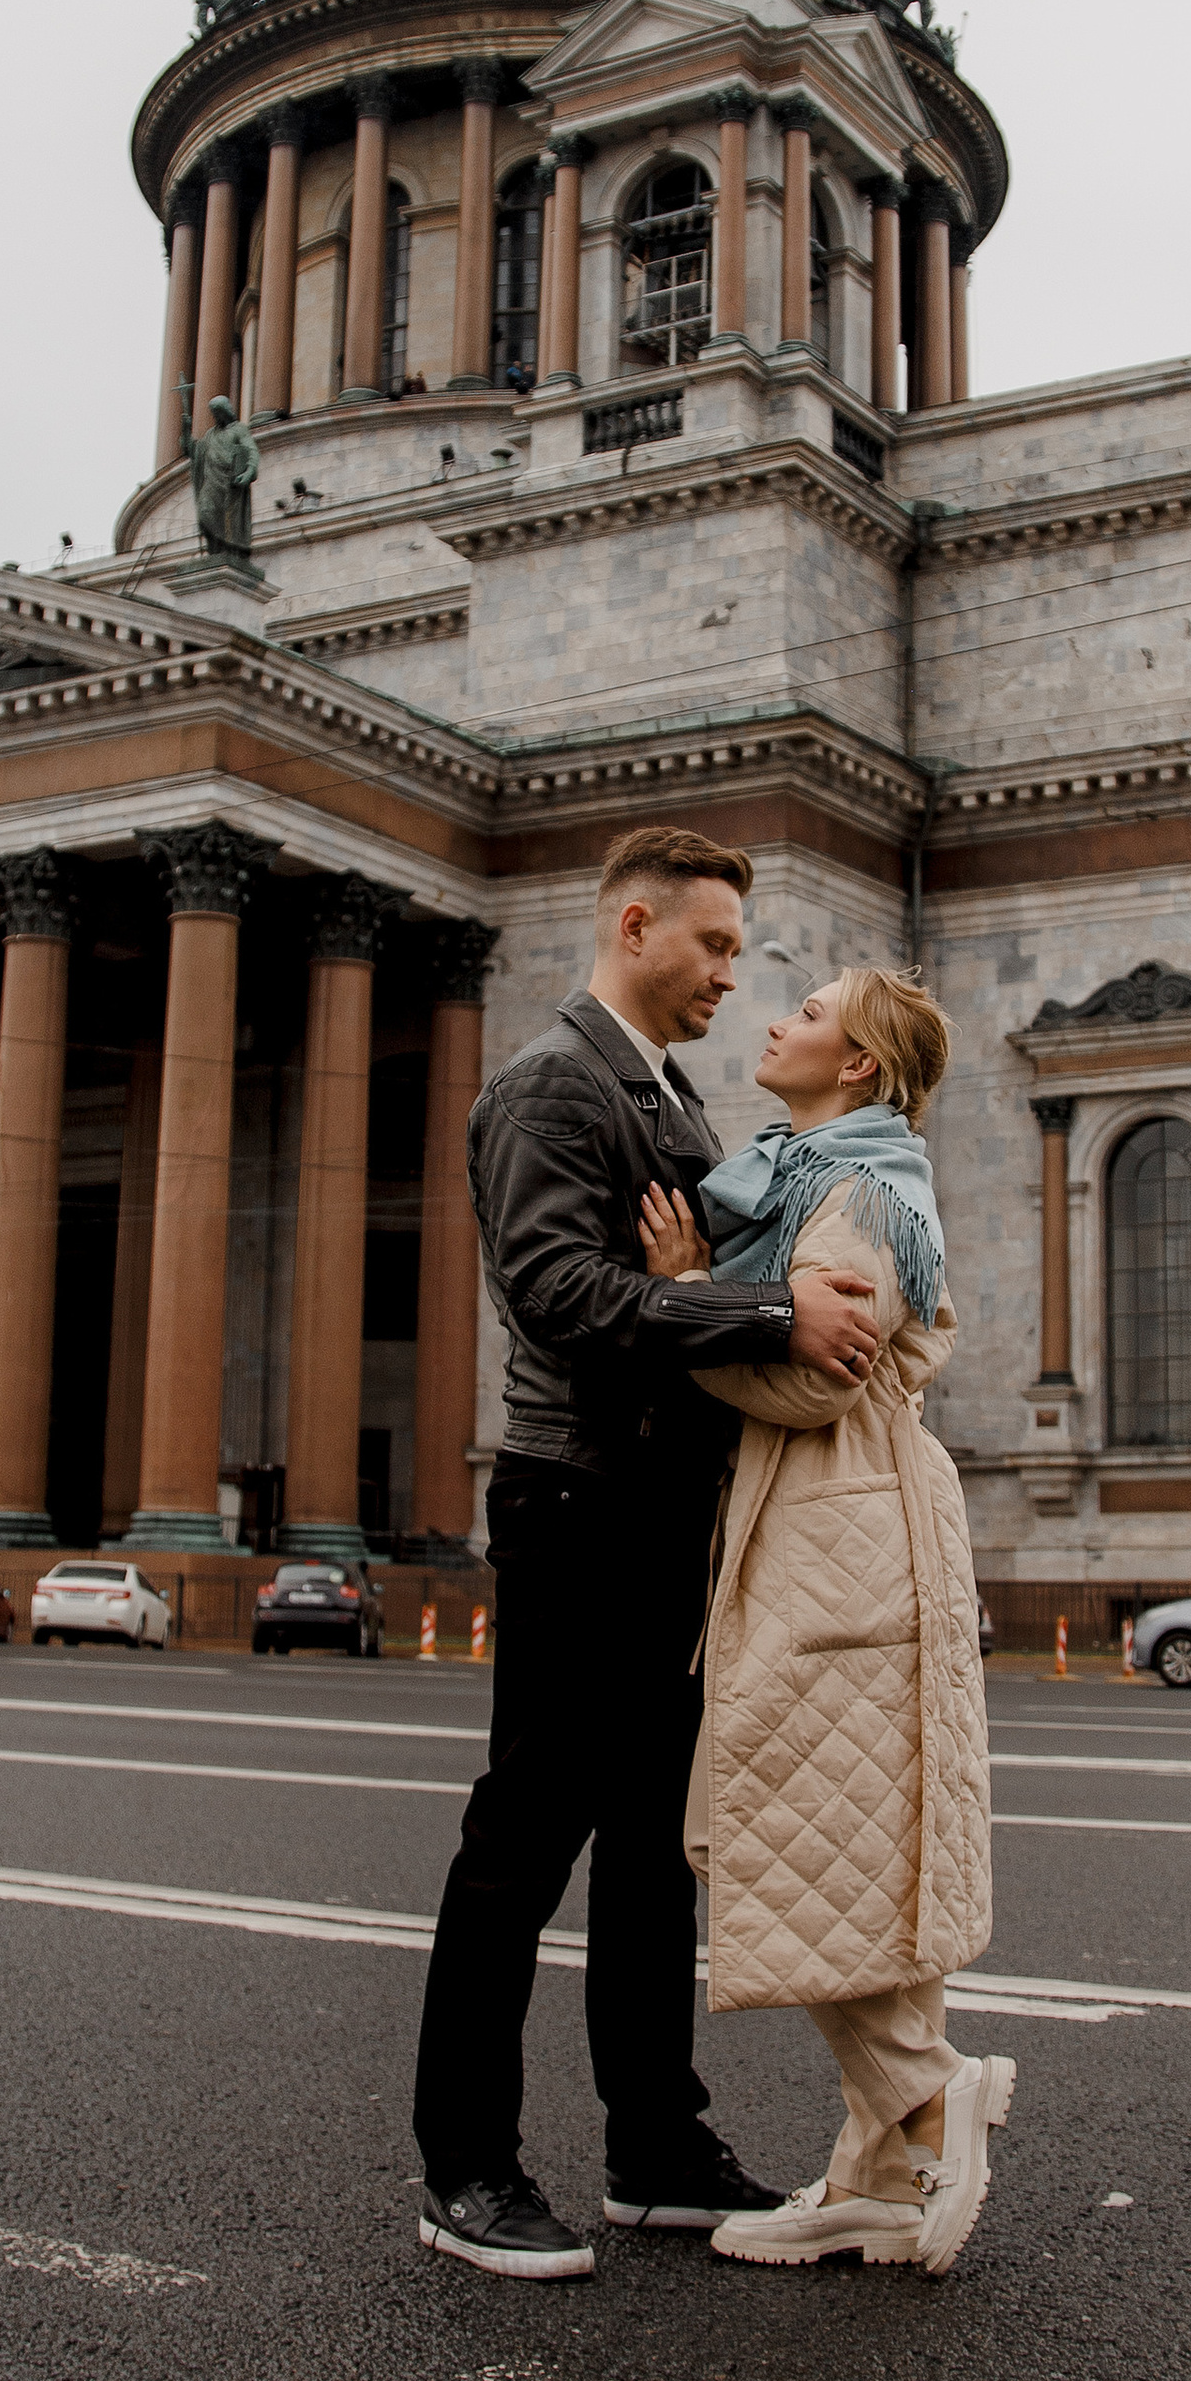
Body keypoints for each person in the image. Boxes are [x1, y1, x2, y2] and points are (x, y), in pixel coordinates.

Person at [410, 825, 883, 2282]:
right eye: (715, 948)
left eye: (742, 955)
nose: (731, 981)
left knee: (654, 1854)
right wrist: (761, 1320)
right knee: (524, 1839)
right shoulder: (552, 1082)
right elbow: (556, 1292)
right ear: (634, 925)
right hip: (579, 1497)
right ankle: (467, 2167)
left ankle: (653, 2145)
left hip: (665, 1506)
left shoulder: (662, 1090)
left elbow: (700, 1267)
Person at [638, 966, 1003, 2274]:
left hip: (839, 1527)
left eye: (805, 1011)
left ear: (856, 1066)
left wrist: (682, 1298)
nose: (776, 1020)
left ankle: (921, 2093)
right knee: (859, 1847)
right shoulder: (820, 1175)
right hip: (840, 1528)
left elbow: (816, 1377)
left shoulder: (855, 1195)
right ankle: (880, 2179)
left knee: (770, 1825)